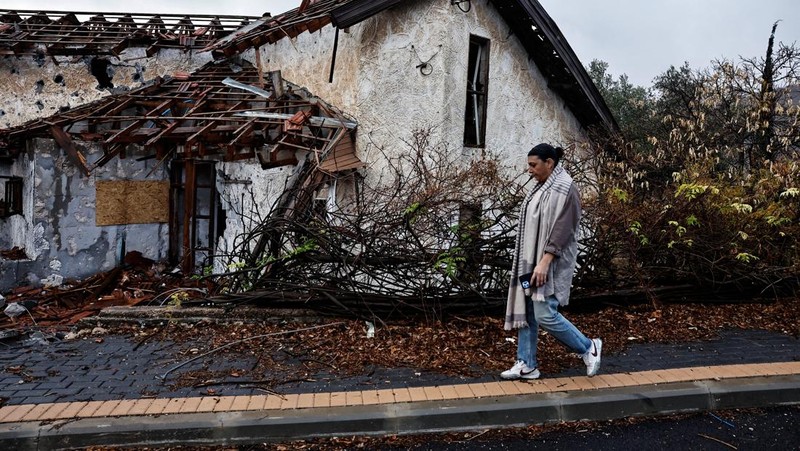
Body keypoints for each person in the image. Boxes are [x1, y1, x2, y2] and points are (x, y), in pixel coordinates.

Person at [501, 143, 601, 380]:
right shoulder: (540, 188)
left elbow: (563, 230)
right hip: (530, 262)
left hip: (549, 263)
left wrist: (545, 261)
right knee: (528, 311)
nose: (529, 170)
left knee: (545, 313)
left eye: (533, 165)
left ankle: (588, 347)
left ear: (549, 163)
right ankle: (527, 363)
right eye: (529, 165)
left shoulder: (566, 188)